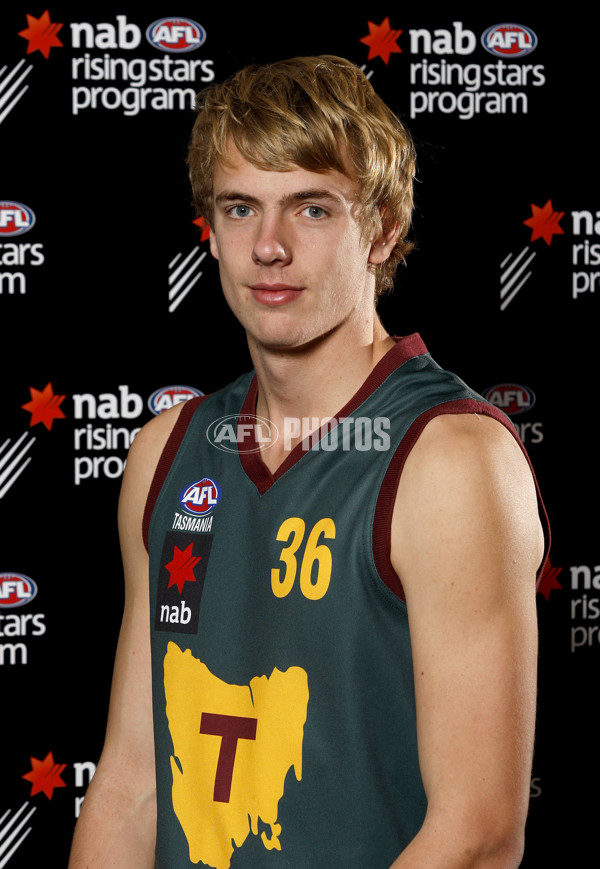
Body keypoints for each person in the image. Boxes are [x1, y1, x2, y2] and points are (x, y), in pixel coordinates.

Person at [68, 55, 548, 868]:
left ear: (384, 227)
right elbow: (134, 781)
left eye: (312, 209)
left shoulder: (450, 457)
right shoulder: (167, 450)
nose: (270, 246)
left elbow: (478, 832)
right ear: (210, 232)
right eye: (240, 207)